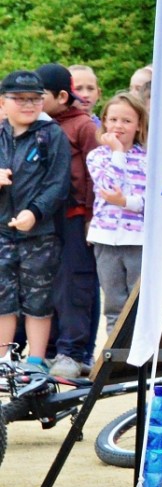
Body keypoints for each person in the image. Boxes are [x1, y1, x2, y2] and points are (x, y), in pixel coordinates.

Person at [0, 70, 70, 375]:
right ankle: (3, 361)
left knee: (39, 299)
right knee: (2, 297)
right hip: (2, 231)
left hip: (40, 233)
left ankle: (36, 363)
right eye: (20, 99)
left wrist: (35, 212)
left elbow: (58, 183)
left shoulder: (52, 134)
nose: (28, 104)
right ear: (3, 102)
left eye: (35, 99)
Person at [37, 63, 100, 379]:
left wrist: (91, 216)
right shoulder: (41, 125)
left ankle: (74, 352)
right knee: (48, 285)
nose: (34, 101)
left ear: (62, 96)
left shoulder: (83, 126)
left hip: (76, 217)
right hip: (47, 218)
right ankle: (49, 351)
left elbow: (96, 174)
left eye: (41, 95)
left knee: (75, 284)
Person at [87, 93, 147, 340]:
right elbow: (108, 186)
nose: (118, 126)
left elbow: (148, 201)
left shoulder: (148, 158)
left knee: (139, 302)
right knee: (113, 304)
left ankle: (140, 355)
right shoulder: (98, 156)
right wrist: (118, 152)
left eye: (126, 120)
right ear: (104, 122)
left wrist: (125, 202)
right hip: (106, 238)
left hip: (138, 240)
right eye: (113, 120)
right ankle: (115, 355)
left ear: (139, 125)